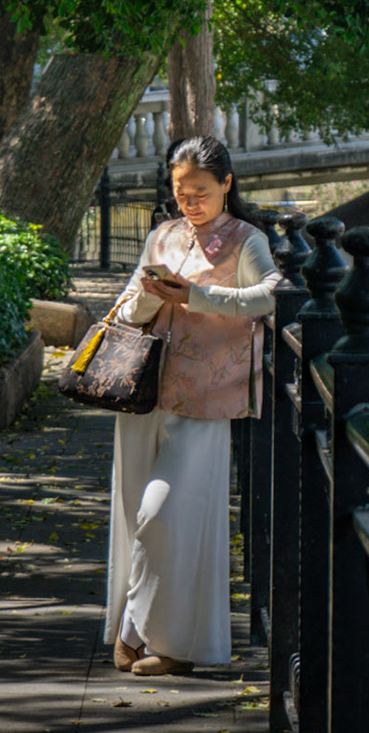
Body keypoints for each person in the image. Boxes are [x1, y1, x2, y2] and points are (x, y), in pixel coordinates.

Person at [105, 135, 280, 677]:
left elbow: (272, 295)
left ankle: (140, 630)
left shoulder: (246, 241)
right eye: (181, 192)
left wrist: (196, 297)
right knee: (138, 517)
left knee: (166, 518)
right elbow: (129, 310)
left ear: (227, 184)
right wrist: (153, 294)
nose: (189, 202)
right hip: (144, 389)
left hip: (205, 396)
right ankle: (171, 644)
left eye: (200, 191)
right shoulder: (162, 235)